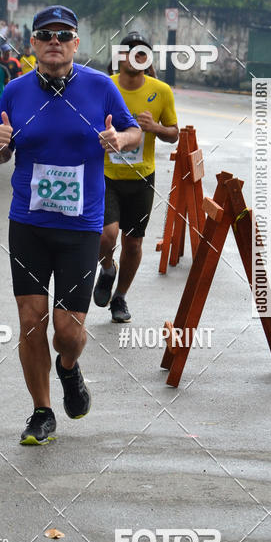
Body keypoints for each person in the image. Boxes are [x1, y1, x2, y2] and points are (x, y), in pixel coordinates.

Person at [0, 6, 141, 445]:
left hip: (80, 228)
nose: (54, 40)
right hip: (29, 224)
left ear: (76, 44)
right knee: (32, 320)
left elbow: (134, 134)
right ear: (33, 44)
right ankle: (41, 411)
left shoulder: (101, 87)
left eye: (64, 34)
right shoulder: (15, 92)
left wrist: (120, 139)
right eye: (45, 34)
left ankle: (70, 370)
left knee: (67, 332)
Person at [93, 31, 178, 323]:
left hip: (142, 177)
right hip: (105, 175)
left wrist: (154, 127)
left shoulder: (161, 91)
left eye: (141, 52)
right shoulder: (105, 86)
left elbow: (174, 134)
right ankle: (106, 268)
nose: (134, 57)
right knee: (107, 234)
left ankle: (120, 297)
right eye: (128, 51)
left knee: (133, 244)